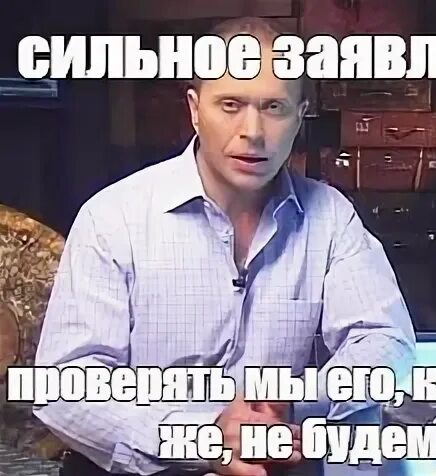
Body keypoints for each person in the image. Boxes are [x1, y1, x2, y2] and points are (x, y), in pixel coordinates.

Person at [33, 16, 416, 476]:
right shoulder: (113, 218)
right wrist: (203, 437)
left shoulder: (331, 217)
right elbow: (65, 387)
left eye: (274, 107)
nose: (252, 130)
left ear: (299, 116)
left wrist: (292, 401)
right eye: (230, 104)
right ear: (195, 109)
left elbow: (386, 341)